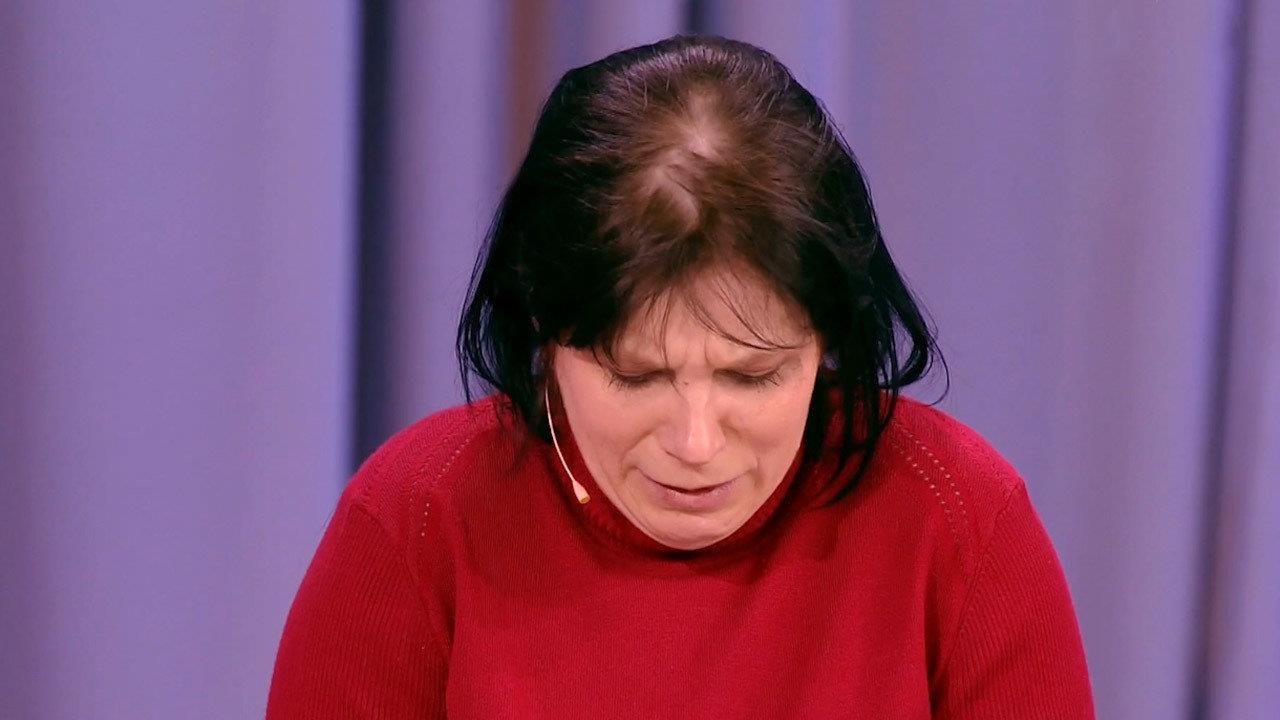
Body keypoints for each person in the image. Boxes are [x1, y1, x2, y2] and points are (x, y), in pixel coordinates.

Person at [266, 34, 1095, 719]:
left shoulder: (957, 516)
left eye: (752, 376)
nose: (695, 444)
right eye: (636, 377)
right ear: (543, 333)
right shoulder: (416, 515)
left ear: (827, 340)